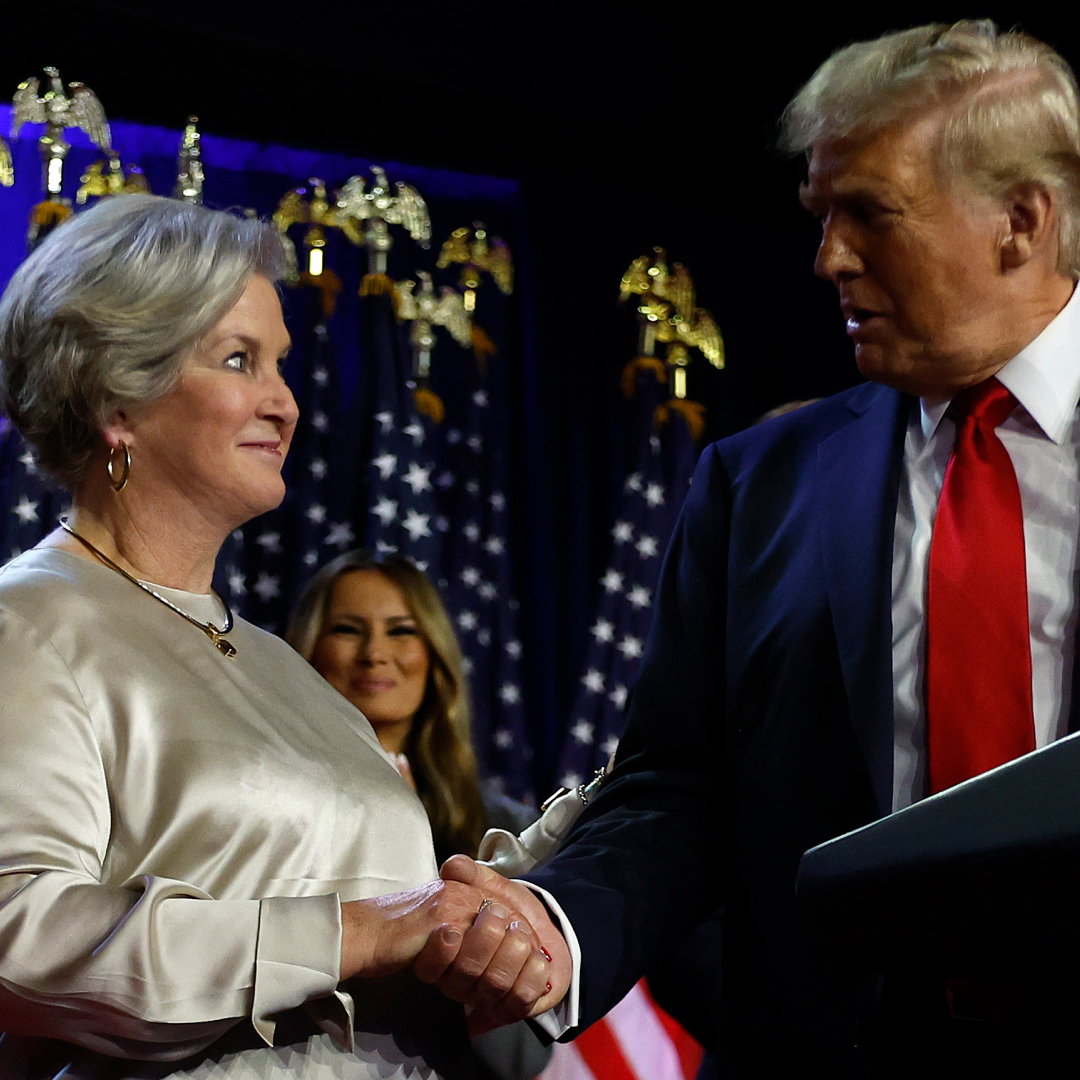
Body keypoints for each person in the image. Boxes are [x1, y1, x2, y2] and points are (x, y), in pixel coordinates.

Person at [442, 19, 1080, 1076]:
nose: (828, 257)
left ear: (1021, 220)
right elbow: (676, 786)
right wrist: (559, 926)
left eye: (869, 213)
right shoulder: (759, 481)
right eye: (820, 215)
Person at [0, 193, 558, 1080]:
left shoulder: (284, 667)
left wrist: (486, 918)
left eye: (282, 365)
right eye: (239, 360)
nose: (286, 405)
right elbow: (17, 937)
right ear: (117, 399)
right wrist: (358, 934)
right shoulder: (27, 621)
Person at [287, 550, 551, 1080]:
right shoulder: (267, 810)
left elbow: (526, 1052)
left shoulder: (504, 828)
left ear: (435, 653)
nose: (375, 653)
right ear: (307, 650)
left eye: (401, 630)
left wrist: (421, 867)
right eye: (347, 628)